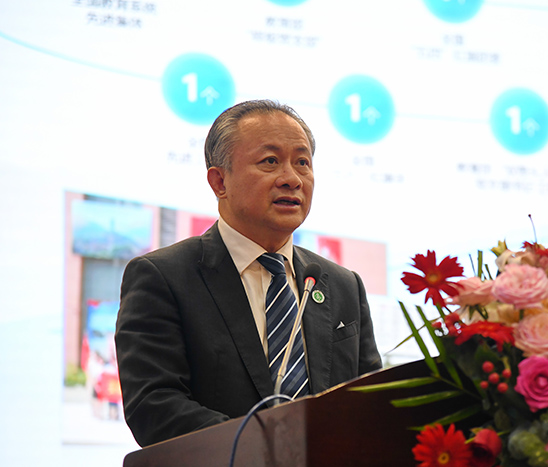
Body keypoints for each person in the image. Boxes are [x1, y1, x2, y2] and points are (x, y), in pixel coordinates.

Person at [115, 100, 382, 447]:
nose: (292, 179)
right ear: (219, 181)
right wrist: (270, 450)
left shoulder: (342, 285)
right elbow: (154, 407)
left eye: (302, 162)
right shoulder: (163, 278)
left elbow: (371, 400)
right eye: (270, 161)